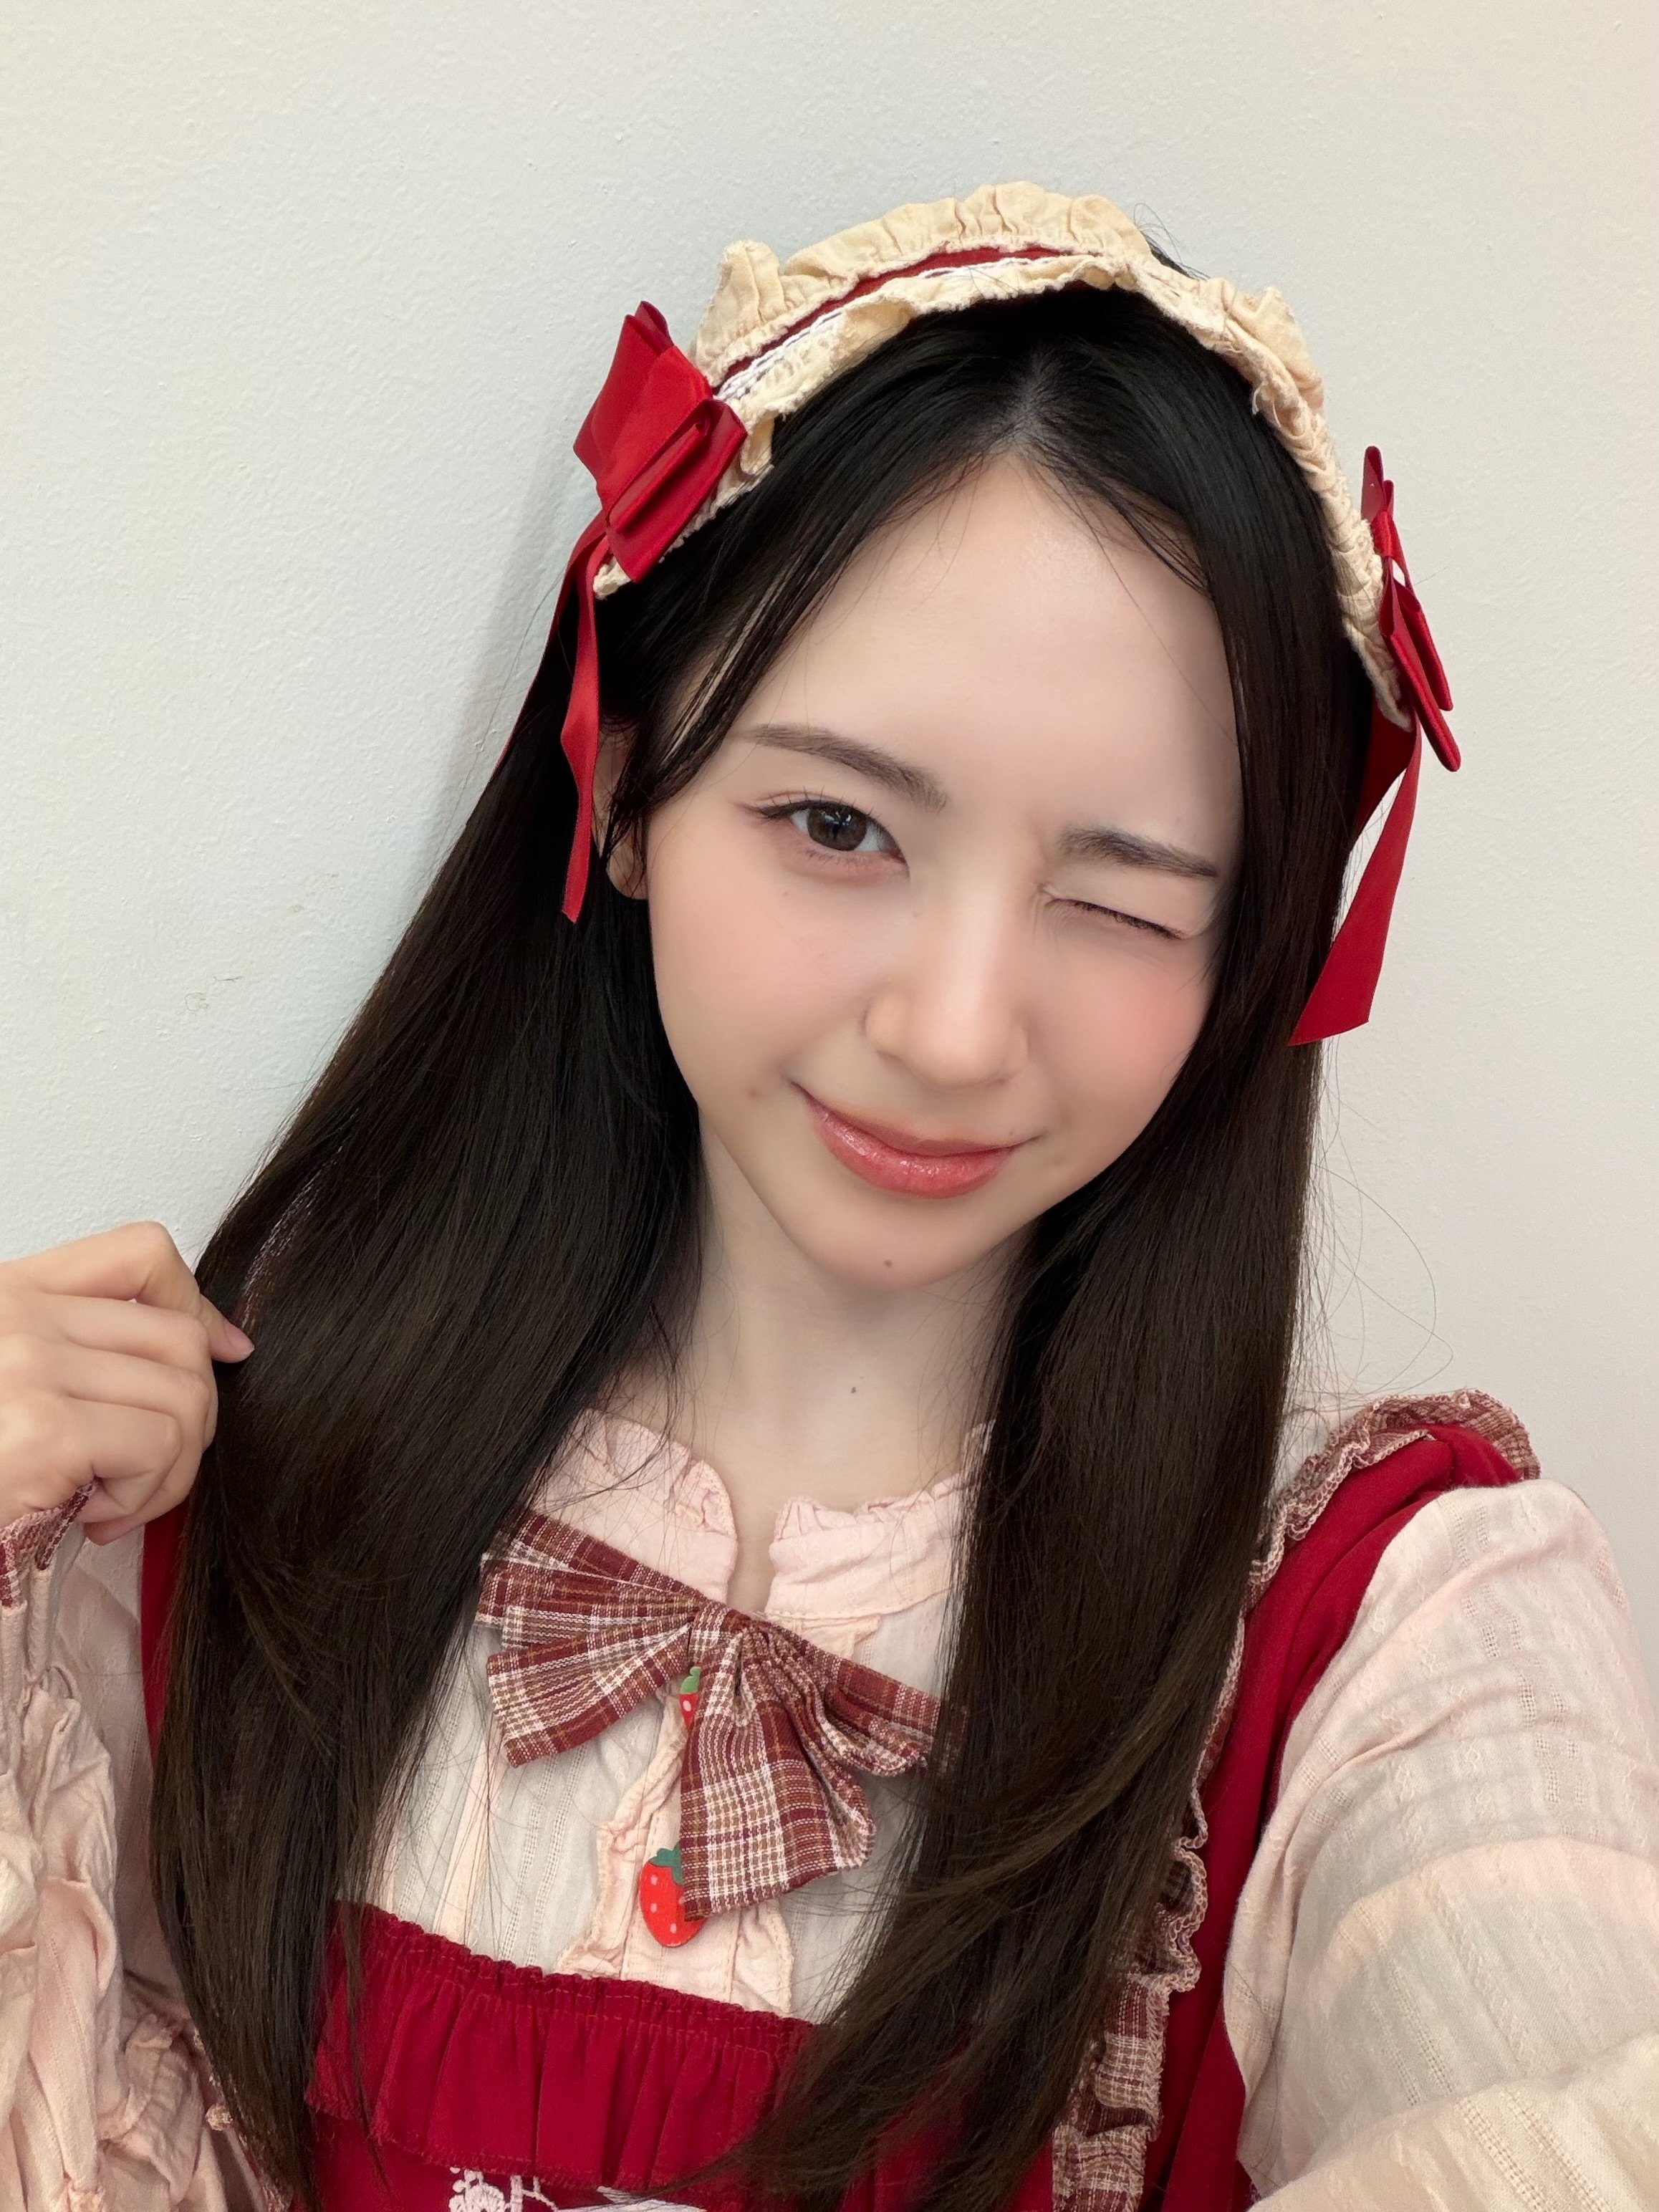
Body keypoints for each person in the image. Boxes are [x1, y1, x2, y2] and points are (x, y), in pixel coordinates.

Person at [1, 182, 1655, 2212]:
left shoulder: (1390, 1641)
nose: (952, 1030)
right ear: (621, 789)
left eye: (1119, 898)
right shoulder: (183, 1520)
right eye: (837, 825)